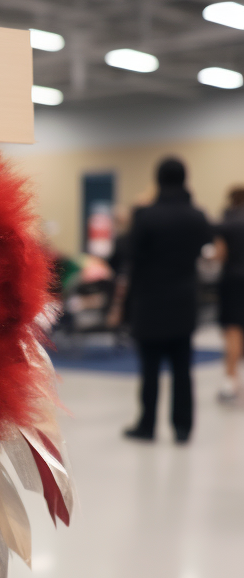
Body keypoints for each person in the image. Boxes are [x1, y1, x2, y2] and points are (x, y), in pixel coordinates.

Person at [123, 157, 212, 444]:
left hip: (150, 302)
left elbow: (131, 259)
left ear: (157, 180)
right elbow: (203, 250)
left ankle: (147, 425)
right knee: (182, 370)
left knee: (149, 370)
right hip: (184, 302)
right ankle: (182, 427)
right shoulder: (197, 216)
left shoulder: (146, 216)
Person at [213, 186, 244, 403]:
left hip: (233, 281)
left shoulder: (227, 223)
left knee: (233, 331)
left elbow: (220, 254)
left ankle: (230, 383)